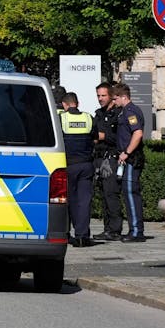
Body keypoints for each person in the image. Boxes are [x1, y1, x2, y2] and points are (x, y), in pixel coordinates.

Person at [58, 90, 95, 247]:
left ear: (65, 105)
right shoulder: (88, 117)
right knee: (85, 201)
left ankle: (68, 234)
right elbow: (95, 137)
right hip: (86, 165)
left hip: (69, 165)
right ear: (77, 103)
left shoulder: (61, 118)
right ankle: (82, 235)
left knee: (70, 200)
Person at [112, 83, 148, 242]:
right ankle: (134, 229)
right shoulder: (124, 111)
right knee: (128, 193)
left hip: (131, 159)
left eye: (115, 98)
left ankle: (136, 232)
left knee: (131, 193)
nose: (114, 102)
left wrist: (126, 152)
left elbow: (138, 133)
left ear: (123, 97)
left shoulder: (131, 111)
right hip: (127, 158)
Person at [93, 82, 123, 241]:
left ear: (111, 95)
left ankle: (115, 230)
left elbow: (120, 137)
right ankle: (107, 229)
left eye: (103, 95)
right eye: (98, 95)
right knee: (103, 194)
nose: (100, 98)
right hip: (99, 157)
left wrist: (104, 136)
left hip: (111, 158)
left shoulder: (118, 114)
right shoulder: (98, 114)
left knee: (111, 194)